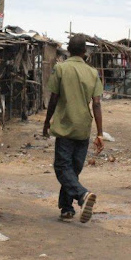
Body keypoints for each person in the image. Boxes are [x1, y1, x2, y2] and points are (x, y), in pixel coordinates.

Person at [43, 34, 105, 223]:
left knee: (62, 167)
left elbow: (53, 98)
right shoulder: (92, 73)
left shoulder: (60, 68)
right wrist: (100, 133)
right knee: (73, 169)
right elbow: (96, 104)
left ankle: (82, 195)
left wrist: (47, 122)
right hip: (83, 127)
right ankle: (67, 208)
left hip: (65, 125)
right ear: (85, 51)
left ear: (68, 50)